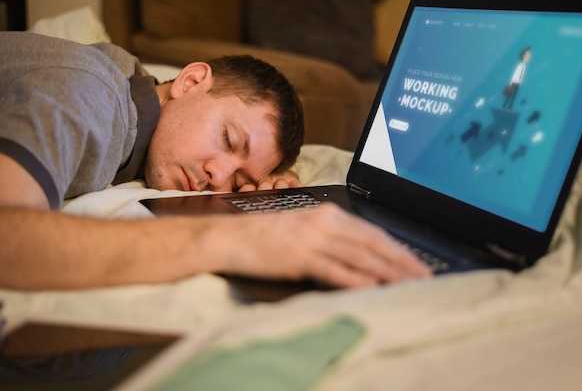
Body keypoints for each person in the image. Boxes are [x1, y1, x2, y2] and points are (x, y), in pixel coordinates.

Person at [0, 31, 431, 291]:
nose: (217, 176)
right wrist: (232, 241)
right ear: (190, 81)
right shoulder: (88, 94)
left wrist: (261, 191)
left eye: (241, 175)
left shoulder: (135, 93)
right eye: (229, 138)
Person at [502, 47, 531, 111]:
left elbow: (522, 75)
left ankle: (510, 107)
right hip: (514, 82)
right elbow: (515, 74)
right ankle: (504, 107)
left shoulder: (524, 66)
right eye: (528, 54)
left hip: (518, 83)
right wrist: (511, 82)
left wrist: (520, 83)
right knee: (509, 95)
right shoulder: (520, 65)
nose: (529, 56)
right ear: (524, 55)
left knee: (514, 97)